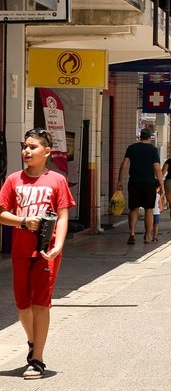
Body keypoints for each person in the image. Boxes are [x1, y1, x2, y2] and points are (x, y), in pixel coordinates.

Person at [0, 128, 74, 380]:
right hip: (20, 251)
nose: (27, 151)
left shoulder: (57, 180)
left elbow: (63, 215)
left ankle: (37, 358)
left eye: (33, 147)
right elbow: (1, 213)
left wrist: (58, 246)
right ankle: (33, 341)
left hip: (46, 252)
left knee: (40, 303)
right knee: (22, 305)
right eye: (25, 146)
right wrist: (22, 221)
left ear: (47, 152)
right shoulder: (13, 180)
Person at [116, 128, 165, 245]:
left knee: (134, 208)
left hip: (134, 182)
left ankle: (132, 233)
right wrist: (161, 184)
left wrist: (120, 180)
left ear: (140, 137)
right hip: (149, 183)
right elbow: (157, 168)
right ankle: (148, 236)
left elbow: (124, 164)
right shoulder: (153, 150)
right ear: (150, 137)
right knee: (149, 209)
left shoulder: (132, 148)